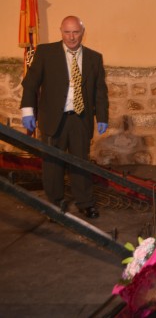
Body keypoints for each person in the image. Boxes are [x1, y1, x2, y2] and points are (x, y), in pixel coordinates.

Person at [20, 15, 109, 219]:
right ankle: (55, 204)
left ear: (82, 33)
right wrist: (27, 111)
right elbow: (31, 84)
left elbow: (99, 92)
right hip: (53, 117)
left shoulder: (94, 58)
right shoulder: (46, 52)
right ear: (61, 32)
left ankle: (85, 203)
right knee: (52, 164)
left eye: (75, 32)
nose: (71, 37)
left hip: (80, 118)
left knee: (80, 162)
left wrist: (102, 116)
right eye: (67, 32)